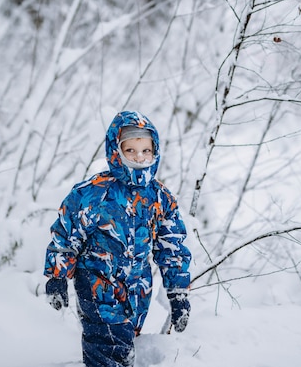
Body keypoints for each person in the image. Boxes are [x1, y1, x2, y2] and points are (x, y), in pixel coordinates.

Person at [43, 110, 192, 367]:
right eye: (130, 150)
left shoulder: (160, 198)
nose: (139, 156)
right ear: (116, 150)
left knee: (123, 348)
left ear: (155, 151)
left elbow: (172, 247)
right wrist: (57, 276)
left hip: (138, 290)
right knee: (108, 347)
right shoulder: (93, 193)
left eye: (146, 150)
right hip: (96, 285)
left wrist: (178, 293)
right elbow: (66, 236)